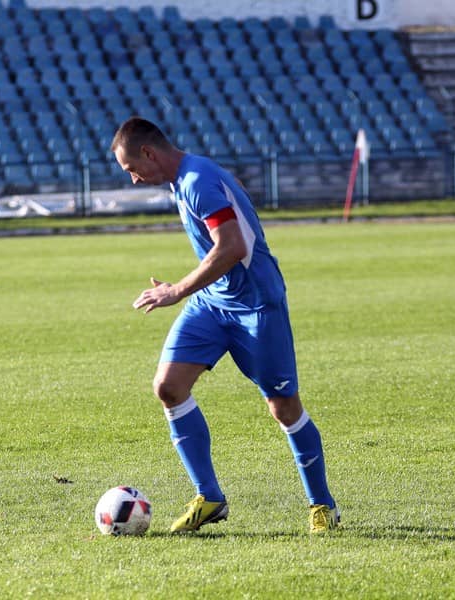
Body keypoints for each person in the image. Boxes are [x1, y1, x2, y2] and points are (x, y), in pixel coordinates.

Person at [111, 116, 338, 534]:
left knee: (284, 408)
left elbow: (231, 246)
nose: (134, 179)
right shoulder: (184, 181)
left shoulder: (198, 180)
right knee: (168, 387)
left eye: (132, 169)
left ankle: (322, 505)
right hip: (213, 303)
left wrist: (177, 290)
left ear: (148, 153)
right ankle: (209, 497)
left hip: (257, 306)